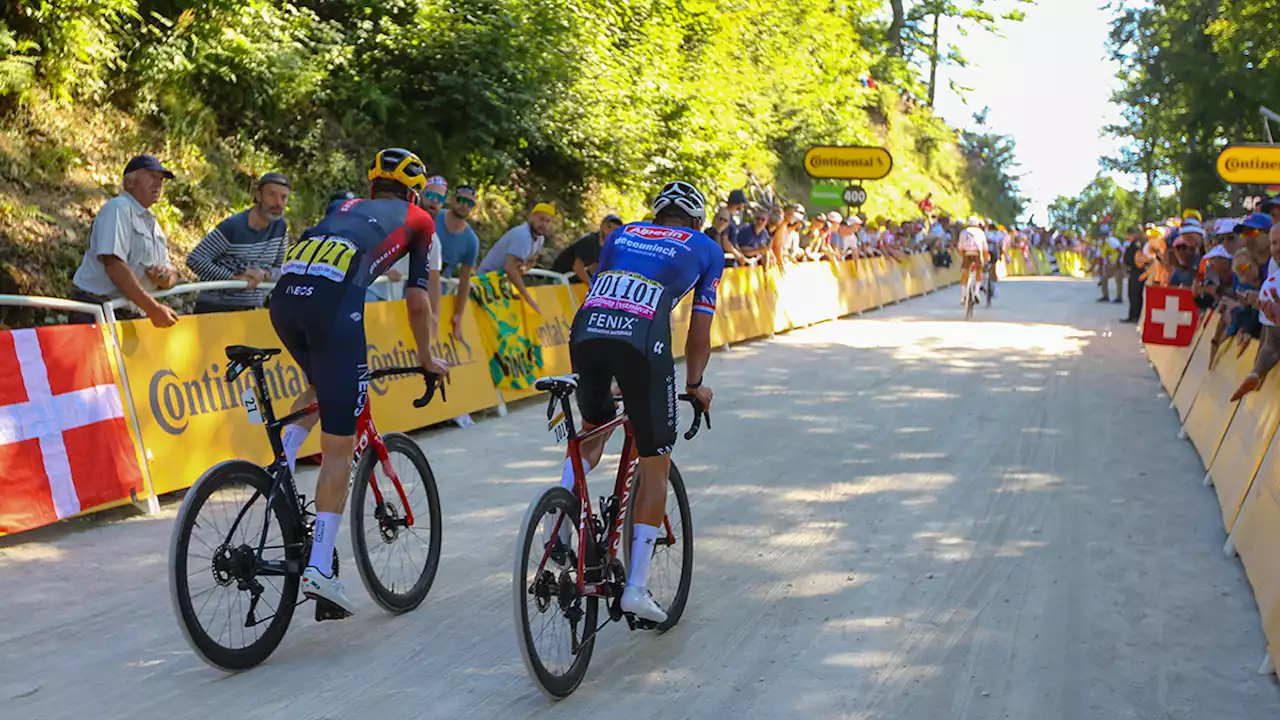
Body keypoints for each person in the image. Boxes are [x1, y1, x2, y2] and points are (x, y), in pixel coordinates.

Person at [267, 148, 451, 617]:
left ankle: (281, 463)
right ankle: (320, 571)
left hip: (285, 300)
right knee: (338, 448)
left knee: (321, 384)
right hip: (333, 306)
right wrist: (427, 357)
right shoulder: (420, 220)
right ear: (415, 192)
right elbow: (417, 302)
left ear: (371, 187)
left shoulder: (342, 208)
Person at [558, 180, 723, 623]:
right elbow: (699, 331)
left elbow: (609, 291)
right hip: (643, 339)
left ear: (655, 216)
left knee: (593, 429)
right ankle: (635, 588)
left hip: (587, 331)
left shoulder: (622, 234)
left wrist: (614, 376)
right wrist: (694, 384)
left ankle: (556, 520)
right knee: (656, 464)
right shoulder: (706, 247)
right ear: (697, 221)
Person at [69, 154, 180, 327]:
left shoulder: (153, 222)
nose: (158, 183)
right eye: (151, 176)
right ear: (130, 182)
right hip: (96, 310)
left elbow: (171, 273)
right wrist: (152, 308)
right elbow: (114, 265)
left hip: (128, 313)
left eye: (160, 179)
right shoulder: (118, 208)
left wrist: (166, 278)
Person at [186, 172, 291, 313]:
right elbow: (195, 259)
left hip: (252, 310)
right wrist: (234, 279)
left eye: (283, 197)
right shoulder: (233, 227)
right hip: (216, 307)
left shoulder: (280, 227)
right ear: (258, 196)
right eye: (272, 195)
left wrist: (264, 274)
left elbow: (282, 269)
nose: (278, 203)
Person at [477, 202, 556, 314]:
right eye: (541, 219)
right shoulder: (522, 236)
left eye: (548, 221)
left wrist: (523, 269)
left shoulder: (539, 239)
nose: (544, 224)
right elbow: (510, 268)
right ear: (532, 217)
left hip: (501, 285)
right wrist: (528, 298)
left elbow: (531, 259)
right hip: (485, 282)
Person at [432, 185, 482, 337]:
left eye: (469, 203)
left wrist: (458, 315)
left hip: (439, 288)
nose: (464, 205)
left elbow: (465, 280)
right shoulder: (433, 216)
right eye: (460, 200)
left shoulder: (471, 241)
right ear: (452, 200)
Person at [550, 214, 623, 285]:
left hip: (573, 277)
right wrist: (591, 285)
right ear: (602, 227)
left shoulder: (609, 247)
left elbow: (595, 267)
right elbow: (578, 267)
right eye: (609, 227)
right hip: (559, 276)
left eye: (616, 229)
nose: (612, 231)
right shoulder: (591, 241)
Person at [956, 216, 987, 303]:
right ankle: (976, 292)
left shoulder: (963, 232)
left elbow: (960, 247)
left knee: (965, 271)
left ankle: (963, 295)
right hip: (977, 252)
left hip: (966, 252)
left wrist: (961, 257)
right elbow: (985, 247)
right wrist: (985, 258)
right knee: (978, 270)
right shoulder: (980, 232)